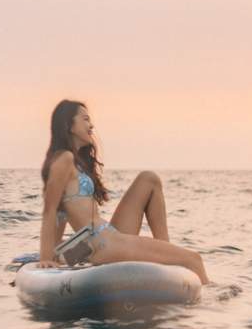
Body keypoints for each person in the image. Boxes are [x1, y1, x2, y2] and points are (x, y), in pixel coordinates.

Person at [37, 99, 209, 284]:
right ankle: (213, 299)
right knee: (193, 259)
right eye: (85, 119)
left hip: (103, 238)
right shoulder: (65, 159)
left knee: (148, 179)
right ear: (68, 125)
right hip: (103, 244)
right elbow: (51, 210)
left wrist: (57, 251)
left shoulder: (75, 161)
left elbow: (62, 212)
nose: (91, 125)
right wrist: (46, 257)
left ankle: (165, 252)